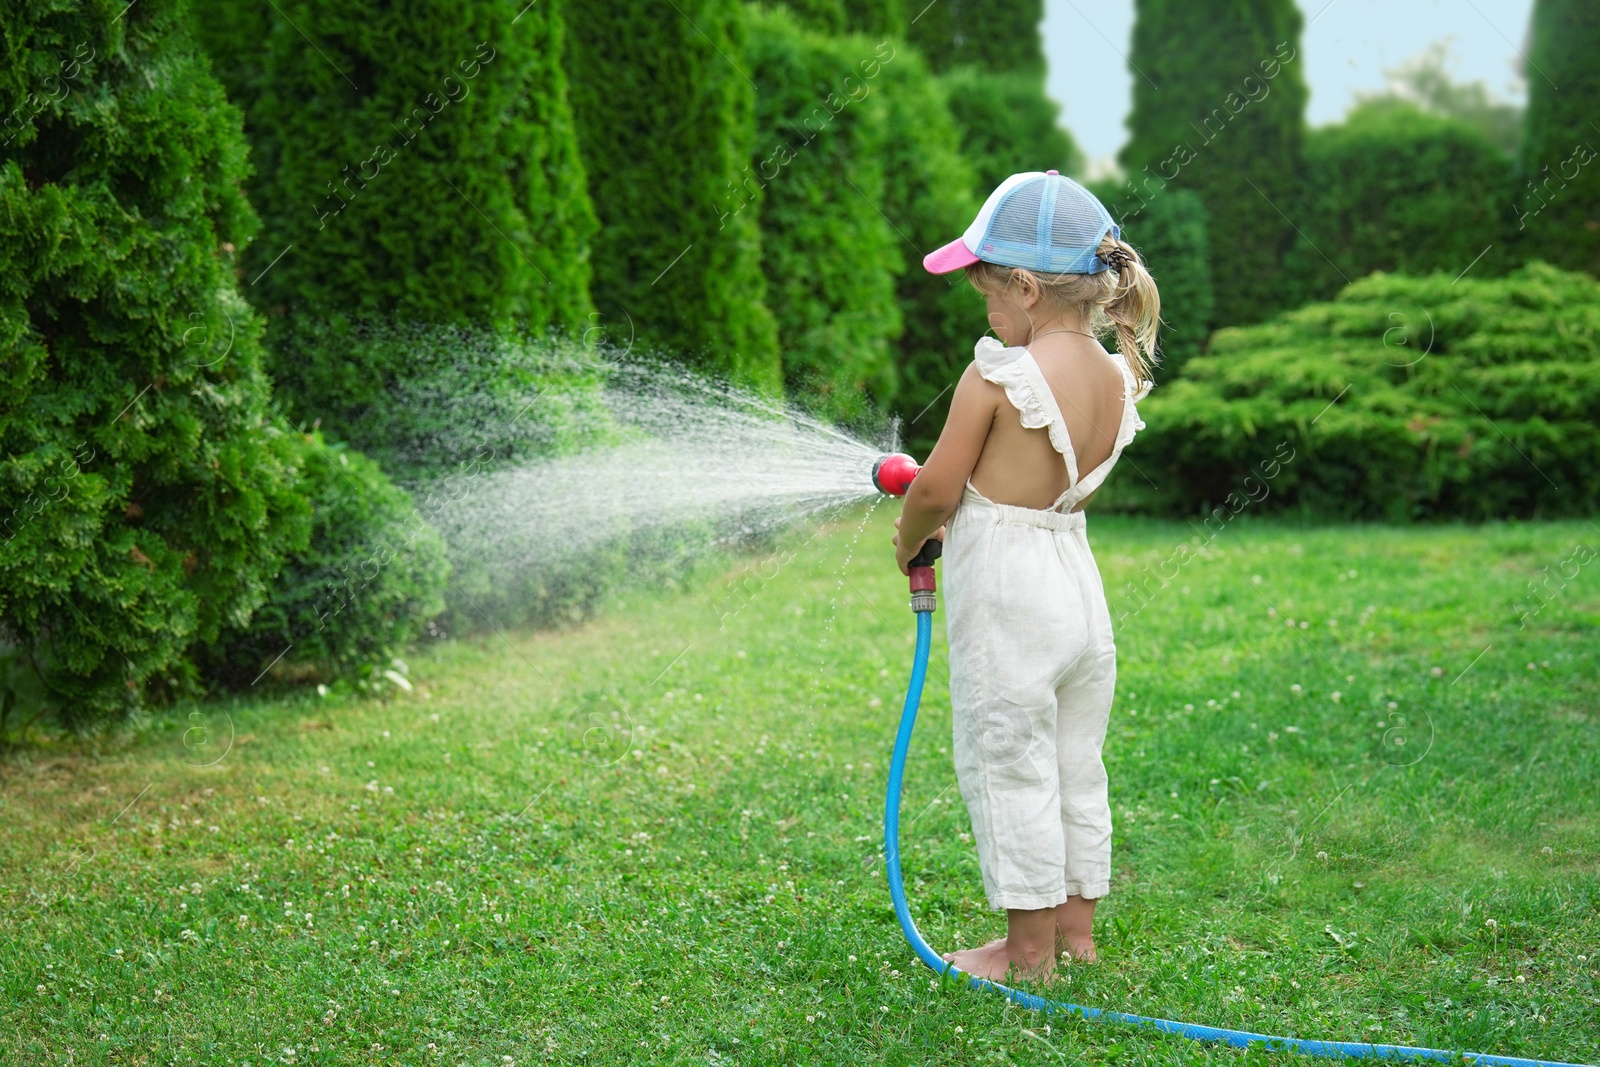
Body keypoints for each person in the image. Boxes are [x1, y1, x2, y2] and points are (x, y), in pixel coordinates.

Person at [890, 170, 1160, 983]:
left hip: (1009, 593)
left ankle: (1027, 952)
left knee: (1010, 760)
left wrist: (909, 540)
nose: (987, 314)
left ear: (1026, 286)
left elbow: (937, 487)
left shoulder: (995, 376)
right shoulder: (1117, 376)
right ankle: (1075, 934)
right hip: (1076, 581)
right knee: (1075, 759)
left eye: (988, 295)